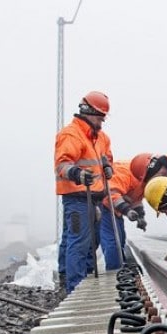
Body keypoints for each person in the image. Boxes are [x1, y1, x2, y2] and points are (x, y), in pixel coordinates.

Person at [54, 91, 115, 293]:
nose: (102, 122)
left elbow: (106, 158)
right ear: (88, 112)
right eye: (100, 118)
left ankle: (86, 280)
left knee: (91, 243)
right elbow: (62, 165)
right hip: (77, 198)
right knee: (79, 243)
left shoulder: (101, 137)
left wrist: (107, 167)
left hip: (95, 197)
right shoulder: (71, 134)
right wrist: (77, 174)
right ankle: (75, 288)